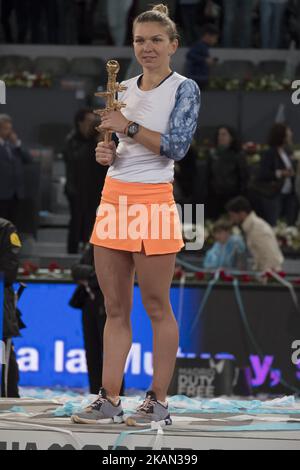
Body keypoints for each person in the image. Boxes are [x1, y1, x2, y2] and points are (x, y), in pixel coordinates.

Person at [71, 4, 200, 427]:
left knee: (157, 306)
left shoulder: (185, 88)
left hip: (154, 201)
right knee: (114, 308)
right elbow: (115, 150)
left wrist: (125, 127)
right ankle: (109, 398)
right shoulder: (122, 86)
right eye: (140, 40)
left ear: (173, 46)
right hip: (114, 200)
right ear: (133, 44)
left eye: (156, 40)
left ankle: (158, 401)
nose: (147, 47)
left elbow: (176, 147)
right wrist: (106, 151)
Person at [70, 244, 126, 395]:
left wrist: (91, 276)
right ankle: (95, 393)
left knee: (111, 350)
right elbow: (75, 270)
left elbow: (109, 273)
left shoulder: (117, 242)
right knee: (91, 350)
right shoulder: (93, 244)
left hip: (107, 300)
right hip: (89, 303)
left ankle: (116, 393)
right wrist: (92, 274)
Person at [63, 109, 108, 254]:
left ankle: (88, 250)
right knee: (79, 219)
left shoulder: (99, 146)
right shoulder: (82, 145)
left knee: (91, 220)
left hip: (95, 189)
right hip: (80, 188)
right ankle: (76, 250)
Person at [226, 196, 284, 273]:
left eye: (232, 216)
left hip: (270, 277)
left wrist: (266, 279)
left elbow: (270, 257)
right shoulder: (251, 227)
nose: (232, 219)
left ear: (242, 214)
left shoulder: (258, 228)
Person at [259, 123, 299, 227]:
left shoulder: (288, 152)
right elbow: (263, 173)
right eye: (288, 132)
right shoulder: (269, 153)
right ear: (281, 135)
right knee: (274, 224)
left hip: (290, 194)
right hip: (275, 194)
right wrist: (281, 173)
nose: (291, 134)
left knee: (290, 224)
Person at [0, 218, 23, 398]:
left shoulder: (5, 228)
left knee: (3, 353)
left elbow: (9, 271)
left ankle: (7, 396)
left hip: (1, 302)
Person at [207, 126, 249, 219]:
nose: (220, 137)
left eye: (224, 134)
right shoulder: (213, 154)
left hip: (232, 196)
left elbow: (243, 177)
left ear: (231, 137)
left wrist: (241, 196)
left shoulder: (238, 154)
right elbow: (208, 176)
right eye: (219, 134)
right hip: (215, 196)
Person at [0, 114, 32, 228]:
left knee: (12, 225)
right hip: (2, 193)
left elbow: (28, 159)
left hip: (16, 193)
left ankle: (9, 245)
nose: (8, 132)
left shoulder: (13, 146)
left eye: (10, 129)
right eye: (5, 128)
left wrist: (17, 143)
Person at [185, 23, 219, 90]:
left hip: (199, 79)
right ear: (208, 35)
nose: (215, 41)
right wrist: (205, 60)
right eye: (215, 38)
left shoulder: (203, 46)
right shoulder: (199, 46)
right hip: (197, 79)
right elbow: (189, 55)